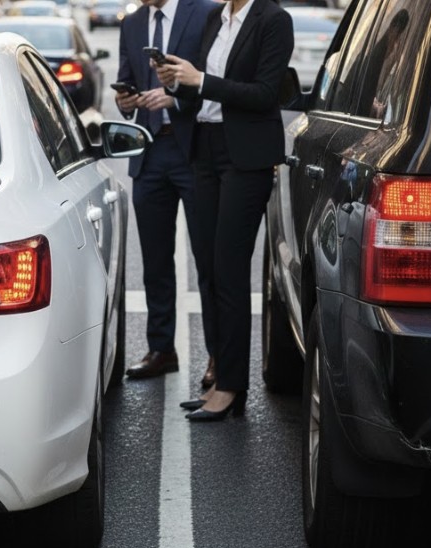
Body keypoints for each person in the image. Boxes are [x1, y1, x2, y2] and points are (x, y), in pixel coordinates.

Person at [156, 0, 293, 420]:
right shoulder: (217, 18)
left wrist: (203, 80)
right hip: (206, 150)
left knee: (230, 271)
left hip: (246, 158)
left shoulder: (273, 20)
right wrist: (177, 81)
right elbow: (200, 87)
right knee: (211, 271)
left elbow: (266, 94)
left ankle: (232, 386)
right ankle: (220, 377)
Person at [116, 0, 220, 384]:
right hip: (149, 155)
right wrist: (125, 101)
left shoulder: (205, 13)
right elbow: (125, 78)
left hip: (193, 150)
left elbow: (215, 78)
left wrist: (175, 98)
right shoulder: (133, 23)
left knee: (208, 260)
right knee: (155, 261)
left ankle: (217, 356)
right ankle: (161, 350)